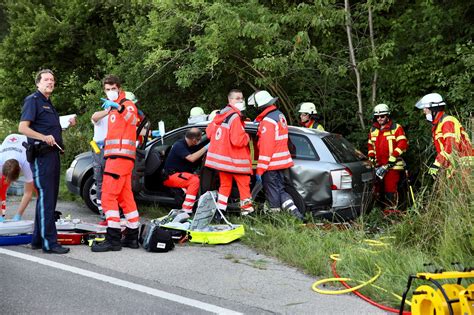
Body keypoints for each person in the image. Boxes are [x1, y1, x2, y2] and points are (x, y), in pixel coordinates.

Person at [18, 69, 76, 254]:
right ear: (38, 83)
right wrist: (43, 137)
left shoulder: (48, 104)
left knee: (46, 199)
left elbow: (49, 128)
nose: (50, 82)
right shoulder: (33, 100)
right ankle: (49, 243)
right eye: (46, 80)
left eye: (52, 80)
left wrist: (64, 125)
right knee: (47, 198)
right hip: (42, 156)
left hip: (52, 154)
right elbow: (22, 127)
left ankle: (37, 240)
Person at [91, 75, 140, 252]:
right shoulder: (112, 109)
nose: (110, 91)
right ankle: (132, 236)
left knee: (108, 196)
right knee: (125, 198)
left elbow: (133, 120)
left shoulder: (126, 104)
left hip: (119, 158)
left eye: (113, 88)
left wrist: (118, 106)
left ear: (119, 88)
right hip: (118, 157)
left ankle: (113, 239)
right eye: (107, 89)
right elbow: (96, 118)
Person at [248, 90, 304, 220]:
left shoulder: (268, 121)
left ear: (260, 106)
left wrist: (260, 170)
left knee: (272, 192)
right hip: (281, 163)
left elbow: (266, 147)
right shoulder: (279, 116)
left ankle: (276, 218)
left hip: (271, 164)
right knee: (280, 190)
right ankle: (296, 214)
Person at [205, 89, 254, 215]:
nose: (241, 101)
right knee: (244, 187)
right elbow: (238, 140)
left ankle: (220, 213)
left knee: (224, 186)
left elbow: (209, 133)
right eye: (237, 98)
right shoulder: (235, 117)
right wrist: (247, 136)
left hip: (222, 162)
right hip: (236, 161)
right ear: (230, 100)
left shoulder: (219, 115)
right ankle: (247, 213)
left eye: (241, 98)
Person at [415, 93, 473, 176]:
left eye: (425, 108)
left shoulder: (447, 121)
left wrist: (437, 164)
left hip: (464, 164)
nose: (424, 111)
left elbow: (451, 145)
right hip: (455, 166)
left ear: (433, 109)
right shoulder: (439, 124)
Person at [367, 104, 408, 213]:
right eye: (377, 116)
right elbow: (370, 145)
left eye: (382, 116)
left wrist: (393, 156)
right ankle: (380, 211)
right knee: (377, 189)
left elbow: (403, 144)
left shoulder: (395, 128)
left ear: (388, 116)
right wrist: (371, 157)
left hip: (392, 166)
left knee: (390, 188)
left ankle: (391, 212)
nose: (380, 118)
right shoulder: (373, 130)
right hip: (378, 165)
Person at [162, 128, 208, 214]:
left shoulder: (191, 146)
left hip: (180, 174)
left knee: (199, 178)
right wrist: (206, 147)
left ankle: (195, 206)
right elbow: (192, 158)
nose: (200, 141)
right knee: (194, 181)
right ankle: (186, 210)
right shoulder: (179, 145)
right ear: (194, 140)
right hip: (171, 176)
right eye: (199, 139)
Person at [0, 134, 35, 222]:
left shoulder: (27, 162)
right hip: (9, 139)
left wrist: (18, 215)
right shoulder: (0, 161)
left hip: (28, 140)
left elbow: (28, 192)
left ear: (20, 171)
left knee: (36, 187)